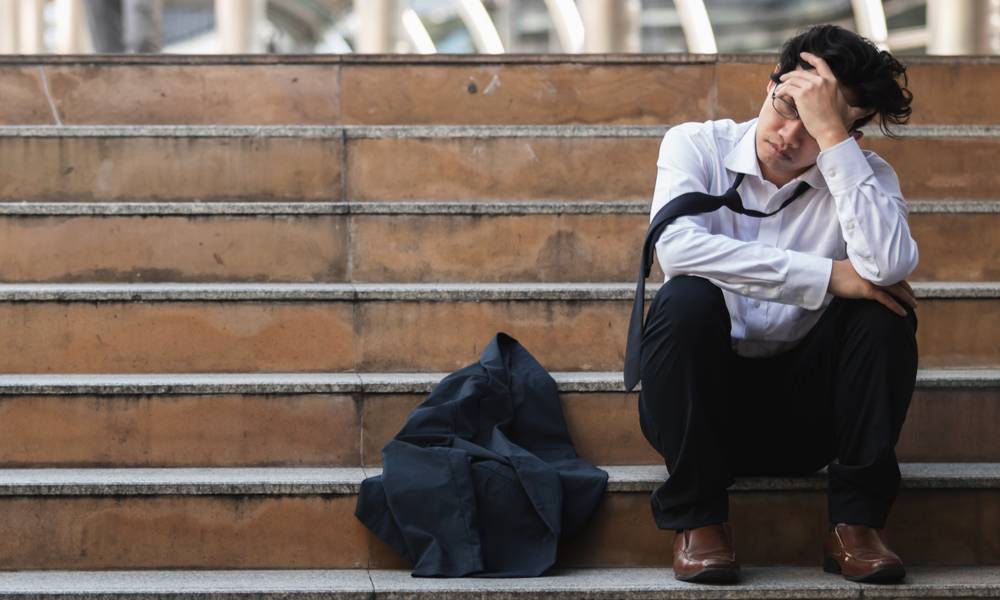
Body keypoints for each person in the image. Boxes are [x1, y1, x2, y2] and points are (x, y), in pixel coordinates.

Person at [633, 24, 918, 584]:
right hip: (699, 408)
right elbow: (676, 249)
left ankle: (856, 526)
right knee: (685, 298)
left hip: (808, 417)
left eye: (813, 124)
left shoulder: (865, 175)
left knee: (882, 312)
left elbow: (887, 268)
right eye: (785, 105)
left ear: (851, 133)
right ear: (769, 84)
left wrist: (834, 144)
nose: (788, 134)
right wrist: (829, 276)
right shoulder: (696, 145)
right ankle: (699, 522)